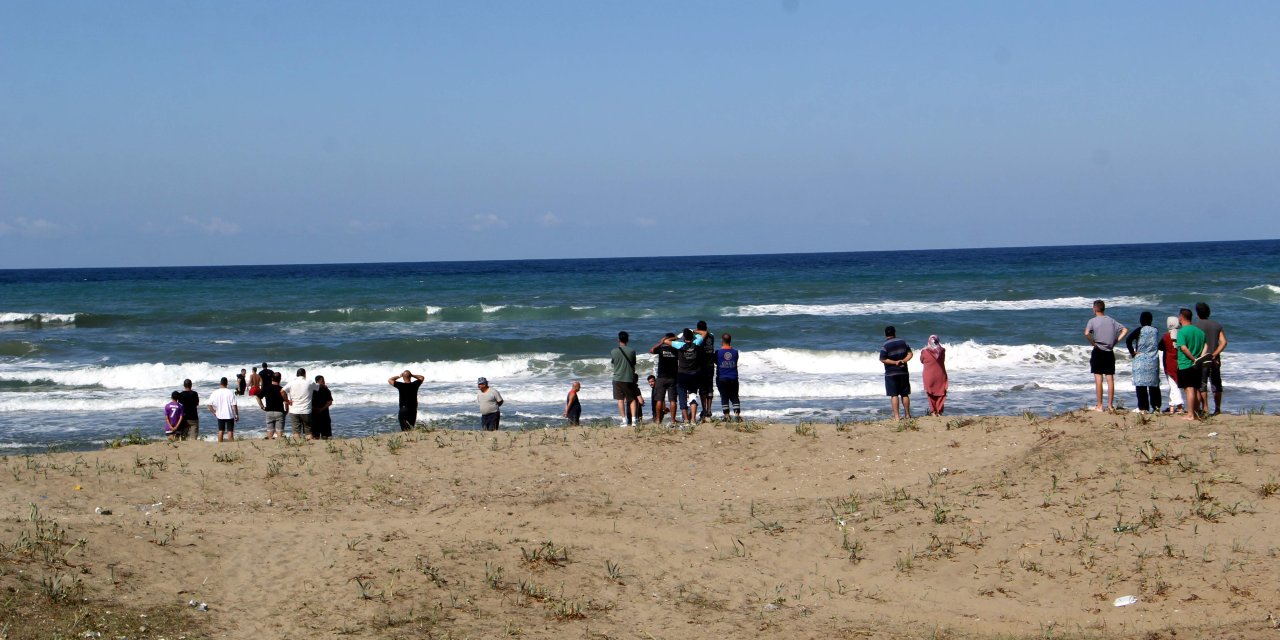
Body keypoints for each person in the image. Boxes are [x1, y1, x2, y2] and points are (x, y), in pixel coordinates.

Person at [1084, 299, 1128, 412]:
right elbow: (1125, 330)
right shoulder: (1111, 320)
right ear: (1103, 309)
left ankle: (1099, 405)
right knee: (1110, 379)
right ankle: (1110, 405)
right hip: (1109, 351)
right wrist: (1116, 340)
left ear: (1094, 309)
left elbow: (1086, 333)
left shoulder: (1092, 321)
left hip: (1098, 350)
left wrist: (1093, 343)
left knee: (1098, 378)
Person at [1194, 302, 1228, 415]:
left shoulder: (1195, 326)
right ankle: (1217, 409)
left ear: (1197, 313)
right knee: (1216, 384)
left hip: (1202, 359)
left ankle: (1205, 408)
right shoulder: (1216, 325)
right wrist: (1215, 354)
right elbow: (1223, 342)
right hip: (1215, 359)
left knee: (1202, 384)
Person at [1125, 312, 1162, 414]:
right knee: (1154, 385)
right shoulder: (1155, 330)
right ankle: (1156, 407)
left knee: (1141, 385)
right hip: (1153, 360)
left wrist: (1132, 352)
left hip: (1141, 359)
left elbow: (1128, 340)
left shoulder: (1139, 330)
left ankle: (1143, 408)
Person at [1175, 308, 1207, 422]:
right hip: (1197, 364)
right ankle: (1196, 412)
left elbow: (1183, 347)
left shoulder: (1182, 332)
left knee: (1189, 389)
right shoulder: (1199, 331)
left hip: (1186, 363)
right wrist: (1200, 358)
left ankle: (1190, 415)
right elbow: (1206, 345)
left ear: (1181, 317)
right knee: (1197, 389)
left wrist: (1193, 358)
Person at [879, 326, 914, 420]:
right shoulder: (903, 342)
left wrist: (894, 362)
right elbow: (910, 354)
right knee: (905, 394)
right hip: (903, 372)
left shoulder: (885, 345)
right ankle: (907, 415)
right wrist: (903, 361)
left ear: (885, 334)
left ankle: (897, 417)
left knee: (894, 395)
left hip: (891, 373)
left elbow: (882, 359)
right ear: (895, 333)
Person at [671, 329, 705, 423]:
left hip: (682, 374)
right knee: (693, 396)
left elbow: (666, 341)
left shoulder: (680, 345)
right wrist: (694, 332)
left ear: (684, 337)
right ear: (692, 337)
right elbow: (704, 333)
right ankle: (693, 419)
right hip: (694, 374)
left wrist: (678, 337)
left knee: (682, 397)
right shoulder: (697, 343)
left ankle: (686, 419)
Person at [610, 331, 640, 426]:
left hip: (618, 378)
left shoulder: (614, 351)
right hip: (629, 378)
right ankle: (634, 420)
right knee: (632, 399)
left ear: (618, 339)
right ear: (627, 340)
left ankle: (624, 420)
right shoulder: (632, 351)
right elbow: (633, 363)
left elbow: (613, 362)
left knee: (620, 399)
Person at [649, 333, 680, 424]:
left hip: (661, 377)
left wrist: (660, 342)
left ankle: (658, 420)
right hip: (672, 377)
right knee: (673, 400)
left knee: (659, 399)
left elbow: (651, 350)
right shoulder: (676, 349)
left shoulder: (661, 348)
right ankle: (673, 420)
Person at [1158, 316, 1184, 413]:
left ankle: (1180, 406)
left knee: (1173, 385)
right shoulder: (1181, 334)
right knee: (1174, 385)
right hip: (1181, 362)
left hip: (1169, 363)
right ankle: (1172, 406)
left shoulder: (1166, 336)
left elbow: (1160, 347)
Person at [282, 368, 315, 439]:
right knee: (308, 431)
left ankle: (298, 446)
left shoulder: (291, 382)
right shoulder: (309, 382)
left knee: (296, 431)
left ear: (296, 375)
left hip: (294, 410)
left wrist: (287, 401)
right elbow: (318, 387)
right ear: (304, 374)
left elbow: (282, 391)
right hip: (306, 410)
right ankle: (310, 448)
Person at [715, 333, 741, 421]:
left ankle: (726, 415)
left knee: (724, 396)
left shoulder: (718, 352)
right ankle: (737, 415)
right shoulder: (735, 352)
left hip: (722, 378)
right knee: (734, 396)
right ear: (730, 341)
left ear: (722, 341)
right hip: (733, 377)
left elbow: (716, 362)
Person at [920, 335, 948, 416]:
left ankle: (933, 411)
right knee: (941, 392)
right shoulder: (942, 351)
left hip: (928, 375)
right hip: (940, 374)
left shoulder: (924, 352)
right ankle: (939, 411)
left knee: (930, 393)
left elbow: (922, 360)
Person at [695, 321, 717, 422]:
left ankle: (704, 410)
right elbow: (708, 333)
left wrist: (694, 332)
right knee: (710, 388)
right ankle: (709, 410)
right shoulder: (712, 336)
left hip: (701, 366)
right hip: (710, 365)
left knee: (702, 390)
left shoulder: (698, 337)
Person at [255, 371, 286, 439]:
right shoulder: (282, 389)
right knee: (279, 432)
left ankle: (269, 443)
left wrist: (262, 406)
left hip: (269, 412)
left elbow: (257, 397)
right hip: (279, 411)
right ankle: (280, 445)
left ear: (272, 378)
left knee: (270, 431)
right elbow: (286, 401)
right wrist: (286, 411)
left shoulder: (266, 388)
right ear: (280, 379)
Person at [207, 376, 239, 442]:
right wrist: (236, 415)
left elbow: (209, 405)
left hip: (220, 415)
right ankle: (231, 444)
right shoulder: (230, 392)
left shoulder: (215, 392)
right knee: (230, 431)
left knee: (221, 430)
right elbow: (234, 405)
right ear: (227, 383)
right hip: (229, 415)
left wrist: (214, 412)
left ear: (220, 383)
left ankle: (220, 444)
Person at [311, 375, 333, 439]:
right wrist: (322, 409)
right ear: (321, 380)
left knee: (315, 435)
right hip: (324, 413)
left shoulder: (311, 390)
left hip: (314, 413)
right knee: (325, 435)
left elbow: (308, 401)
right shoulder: (326, 389)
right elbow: (330, 402)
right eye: (323, 380)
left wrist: (313, 408)